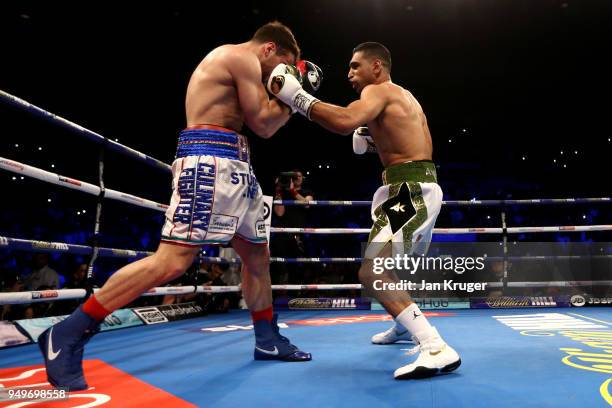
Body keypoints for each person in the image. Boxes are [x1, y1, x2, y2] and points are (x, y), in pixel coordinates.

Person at [38, 21, 318, 392]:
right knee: (172, 261)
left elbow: (259, 127)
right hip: (209, 161)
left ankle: (266, 338)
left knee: (257, 257)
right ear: (269, 50)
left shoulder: (245, 63)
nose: (275, 77)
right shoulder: (242, 58)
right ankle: (68, 332)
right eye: (279, 67)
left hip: (237, 165)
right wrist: (296, 97)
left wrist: (292, 97)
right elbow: (264, 125)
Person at [267, 42, 460, 379]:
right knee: (387, 266)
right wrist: (374, 140)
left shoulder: (378, 91)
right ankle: (402, 327)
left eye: (355, 66)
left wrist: (298, 97)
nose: (349, 74)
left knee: (372, 273)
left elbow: (343, 121)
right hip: (412, 185)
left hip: (409, 190)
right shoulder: (403, 96)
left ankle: (435, 347)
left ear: (376, 67)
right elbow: (408, 142)